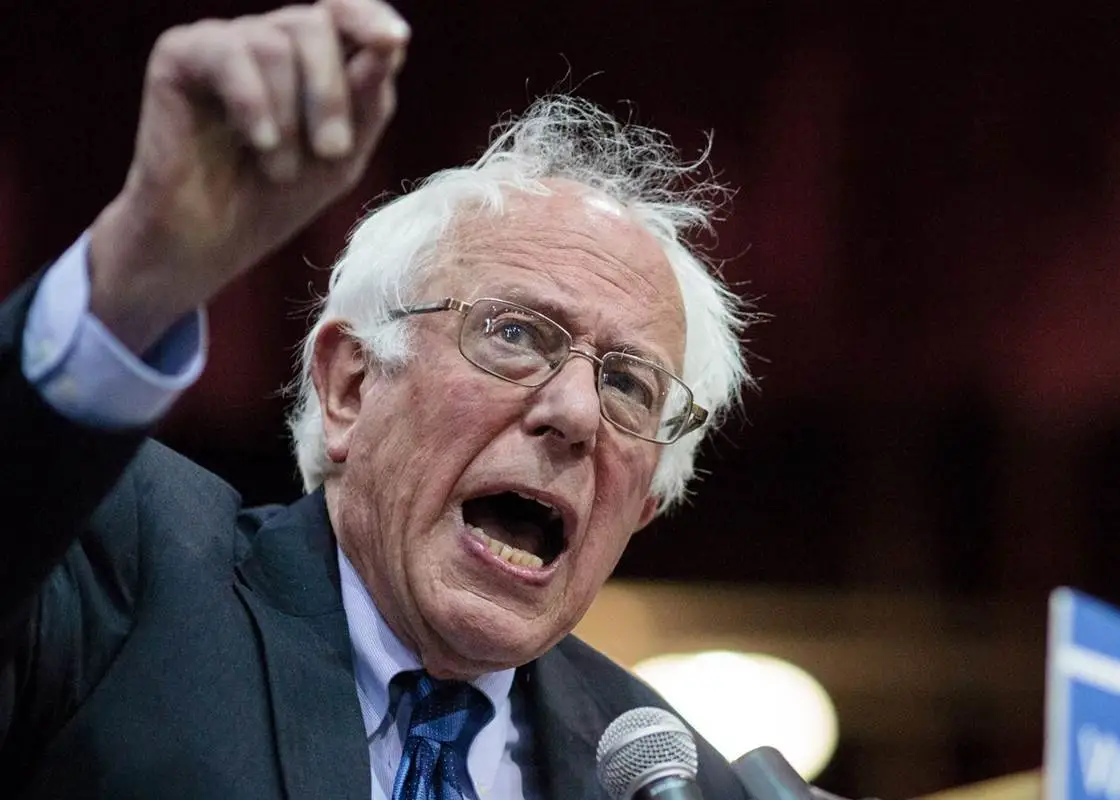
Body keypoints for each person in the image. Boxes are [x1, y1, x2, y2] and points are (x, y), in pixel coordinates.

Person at [0, 0, 752, 797]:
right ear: (350, 386)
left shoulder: (677, 784)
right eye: (516, 334)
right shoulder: (135, 575)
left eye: (628, 384)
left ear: (642, 507)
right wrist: (136, 275)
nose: (574, 413)